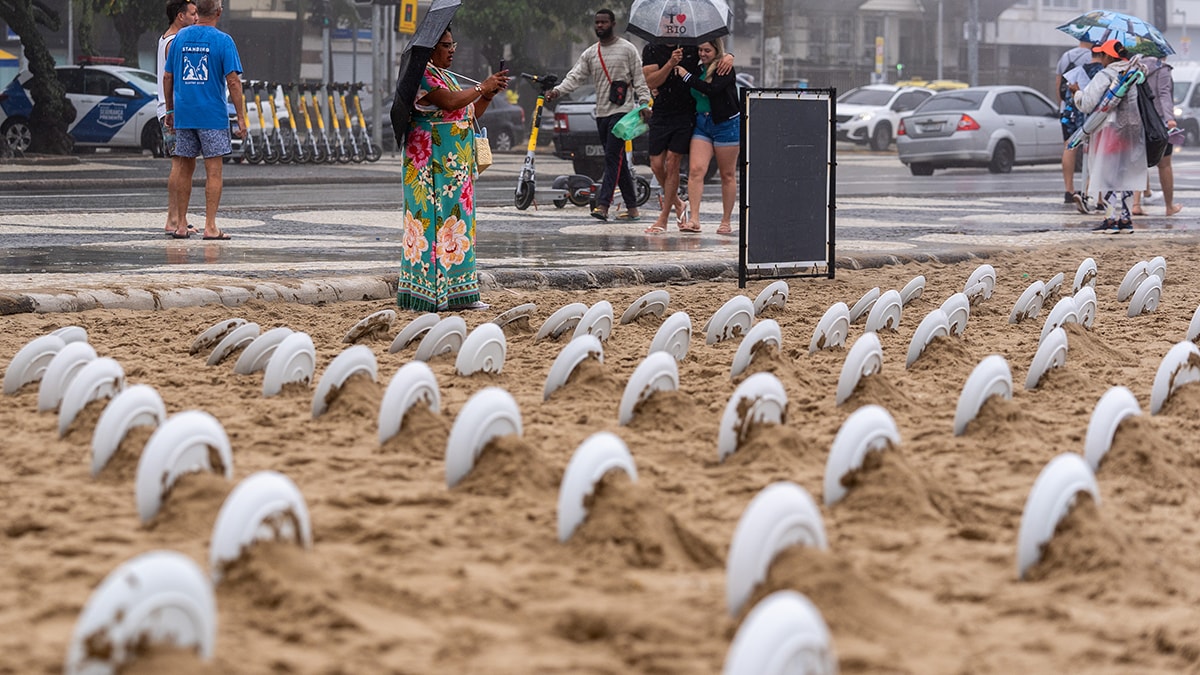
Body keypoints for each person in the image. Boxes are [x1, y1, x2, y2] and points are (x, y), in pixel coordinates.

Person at [397, 28, 509, 312]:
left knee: (458, 227)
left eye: (453, 44)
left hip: (455, 170)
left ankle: (461, 295)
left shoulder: (447, 76)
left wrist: (488, 94)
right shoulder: (423, 74)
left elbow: (469, 112)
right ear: (431, 49)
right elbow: (448, 102)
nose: (452, 50)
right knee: (432, 226)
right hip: (430, 166)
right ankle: (429, 296)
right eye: (446, 45)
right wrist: (482, 87)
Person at [547, 9, 651, 222]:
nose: (600, 26)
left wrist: (644, 104)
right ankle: (633, 209)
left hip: (622, 114)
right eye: (597, 22)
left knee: (612, 158)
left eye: (604, 22)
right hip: (601, 113)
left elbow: (640, 80)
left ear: (613, 23)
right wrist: (557, 91)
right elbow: (575, 77)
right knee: (617, 161)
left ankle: (603, 205)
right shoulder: (590, 53)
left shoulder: (628, 49)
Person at [162, 0, 246, 240]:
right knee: (214, 171)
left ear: (197, 11)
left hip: (185, 114)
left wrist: (170, 110)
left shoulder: (180, 38)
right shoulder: (224, 41)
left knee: (184, 168)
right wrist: (240, 118)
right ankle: (210, 226)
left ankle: (181, 224)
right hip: (212, 116)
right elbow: (233, 82)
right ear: (219, 12)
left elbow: (168, 76)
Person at [641, 43, 733, 235]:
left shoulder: (691, 47)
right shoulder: (651, 49)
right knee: (657, 165)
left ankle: (666, 219)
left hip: (691, 116)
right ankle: (678, 203)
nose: (702, 53)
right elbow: (651, 82)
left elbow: (712, 77)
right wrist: (671, 63)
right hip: (665, 113)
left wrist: (729, 56)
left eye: (707, 51)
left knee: (675, 163)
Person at [1073, 39, 1146, 233]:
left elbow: (1087, 104)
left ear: (1108, 56)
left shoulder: (1105, 74)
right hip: (1133, 129)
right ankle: (1125, 219)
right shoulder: (1136, 72)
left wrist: (1077, 93)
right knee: (1125, 172)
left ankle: (1110, 219)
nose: (1100, 59)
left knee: (1106, 174)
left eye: (1102, 55)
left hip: (1109, 130)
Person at [675, 38, 739, 235]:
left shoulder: (724, 68)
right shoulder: (696, 68)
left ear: (716, 50)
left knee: (726, 174)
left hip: (725, 123)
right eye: (700, 50)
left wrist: (686, 77)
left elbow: (711, 90)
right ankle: (694, 218)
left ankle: (726, 220)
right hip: (702, 124)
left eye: (707, 51)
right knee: (696, 170)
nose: (703, 54)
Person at [157, 0, 197, 237]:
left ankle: (176, 216)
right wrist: (173, 109)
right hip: (172, 111)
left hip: (170, 109)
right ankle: (173, 218)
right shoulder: (174, 43)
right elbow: (173, 78)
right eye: (192, 14)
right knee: (179, 163)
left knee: (181, 163)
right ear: (180, 16)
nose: (196, 18)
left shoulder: (166, 38)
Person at [1131, 55, 1183, 217]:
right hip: (1159, 122)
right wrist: (1170, 119)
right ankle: (1169, 206)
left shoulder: (1134, 66)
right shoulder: (1162, 69)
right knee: (1165, 165)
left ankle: (1136, 204)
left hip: (1138, 119)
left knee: (1138, 161)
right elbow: (1164, 94)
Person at [1057, 39, 1094, 204]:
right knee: (1091, 148)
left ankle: (1069, 189)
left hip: (1067, 109)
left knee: (1069, 145)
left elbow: (1059, 84)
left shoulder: (1065, 56)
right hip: (1085, 107)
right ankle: (1087, 190)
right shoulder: (1093, 57)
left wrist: (1065, 103)